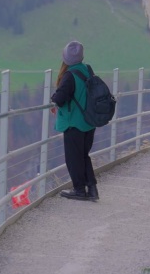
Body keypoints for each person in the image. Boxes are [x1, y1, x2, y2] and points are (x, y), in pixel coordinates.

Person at [50, 40, 99, 201]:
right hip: (89, 121)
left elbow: (61, 97)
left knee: (73, 157)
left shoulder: (69, 75)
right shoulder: (87, 70)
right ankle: (92, 189)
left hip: (74, 123)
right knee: (84, 155)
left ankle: (79, 189)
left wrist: (53, 100)